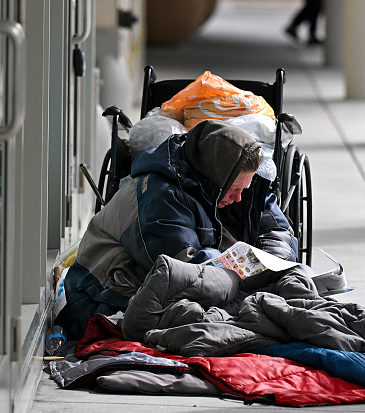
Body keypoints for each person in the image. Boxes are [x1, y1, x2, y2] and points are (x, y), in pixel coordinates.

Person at [55, 119, 298, 340]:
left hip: (148, 284)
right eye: (234, 189)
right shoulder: (161, 197)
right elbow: (187, 270)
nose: (238, 197)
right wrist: (252, 273)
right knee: (220, 319)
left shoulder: (230, 183)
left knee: (289, 287)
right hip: (102, 297)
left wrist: (272, 263)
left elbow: (278, 230)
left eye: (244, 189)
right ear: (215, 178)